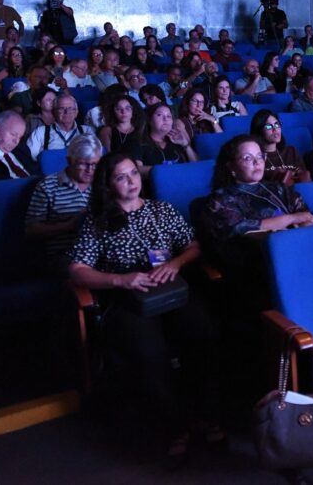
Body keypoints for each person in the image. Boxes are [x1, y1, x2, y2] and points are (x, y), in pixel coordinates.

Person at [67, 153, 219, 465]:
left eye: (133, 174)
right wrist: (119, 280)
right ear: (108, 185)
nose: (131, 181)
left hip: (169, 289)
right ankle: (175, 425)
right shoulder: (99, 222)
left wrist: (175, 264)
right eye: (121, 177)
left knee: (202, 332)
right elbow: (77, 270)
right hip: (127, 297)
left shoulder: (162, 210)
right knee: (149, 351)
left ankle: (203, 414)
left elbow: (193, 246)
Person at [25, 134, 100, 275]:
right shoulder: (48, 186)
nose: (90, 170)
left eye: (95, 164)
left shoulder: (104, 184)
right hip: (66, 254)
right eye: (83, 164)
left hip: (102, 249)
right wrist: (70, 225)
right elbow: (31, 231)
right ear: (69, 160)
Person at [26, 93, 95, 160]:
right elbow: (29, 159)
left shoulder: (87, 131)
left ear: (76, 112)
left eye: (70, 108)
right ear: (54, 112)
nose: (66, 112)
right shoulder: (40, 132)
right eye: (61, 108)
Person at [250, 109, 310, 185]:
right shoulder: (255, 157)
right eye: (269, 126)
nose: (275, 129)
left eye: (277, 124)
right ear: (259, 130)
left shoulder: (291, 151)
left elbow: (306, 181)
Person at [132, 103, 198, 172]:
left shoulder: (177, 141)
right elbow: (136, 169)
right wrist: (166, 171)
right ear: (149, 120)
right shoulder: (139, 142)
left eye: (169, 116)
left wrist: (185, 145)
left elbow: (198, 166)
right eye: (159, 115)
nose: (165, 119)